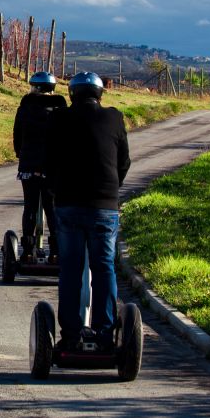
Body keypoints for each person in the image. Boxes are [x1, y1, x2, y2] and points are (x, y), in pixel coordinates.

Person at [50, 72, 130, 352]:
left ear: (72, 94)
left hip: (69, 204)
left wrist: (56, 188)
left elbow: (50, 161)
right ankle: (105, 333)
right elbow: (124, 162)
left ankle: (71, 335)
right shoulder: (115, 118)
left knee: (71, 269)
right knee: (104, 266)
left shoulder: (59, 118)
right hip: (105, 206)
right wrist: (110, 189)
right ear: (100, 94)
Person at [13, 71, 67, 262]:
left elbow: (17, 137)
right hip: (53, 166)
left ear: (34, 87)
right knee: (52, 207)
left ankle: (27, 251)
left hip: (29, 165)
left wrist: (21, 154)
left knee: (30, 206)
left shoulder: (25, 107)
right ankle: (56, 252)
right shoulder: (61, 109)